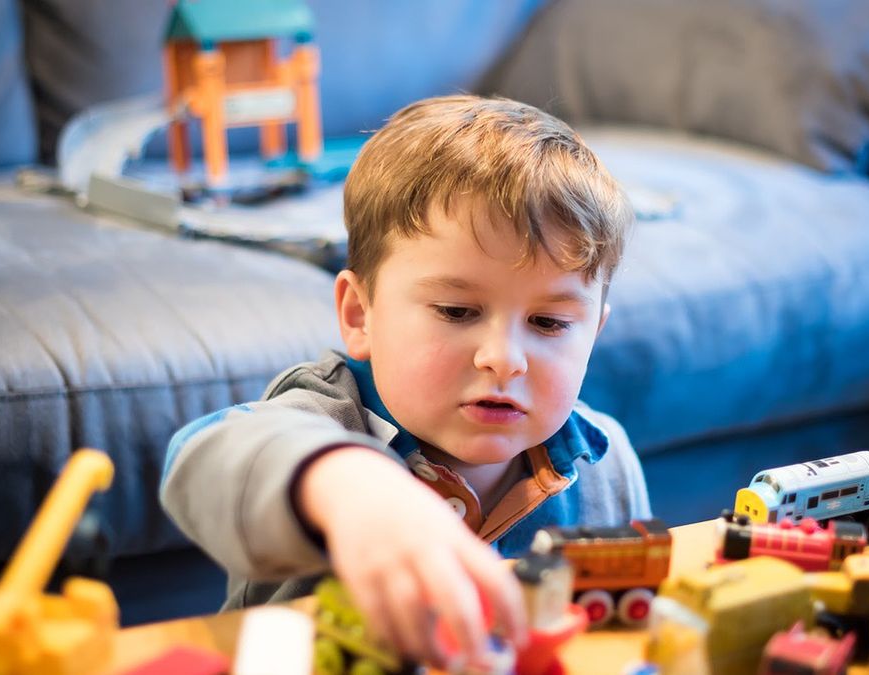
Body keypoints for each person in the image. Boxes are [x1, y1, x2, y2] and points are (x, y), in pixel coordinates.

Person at [160, 94, 650, 667]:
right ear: (360, 315)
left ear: (592, 333)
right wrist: (346, 485)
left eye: (549, 322)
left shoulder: (604, 462)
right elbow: (200, 461)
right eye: (456, 311)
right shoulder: (322, 416)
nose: (504, 359)